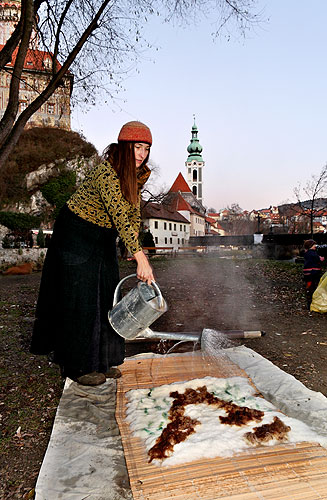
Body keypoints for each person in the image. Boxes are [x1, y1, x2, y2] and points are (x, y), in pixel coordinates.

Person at [30, 121, 154, 386]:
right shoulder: (107, 172)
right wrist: (140, 256)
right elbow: (119, 212)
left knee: (107, 293)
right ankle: (79, 366)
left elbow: (132, 215)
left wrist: (137, 252)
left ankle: (103, 360)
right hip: (76, 233)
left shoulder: (136, 176)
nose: (142, 154)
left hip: (102, 237)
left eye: (146, 148)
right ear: (124, 147)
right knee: (82, 298)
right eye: (137, 147)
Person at [303, 239, 324, 309]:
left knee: (310, 285)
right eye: (314, 245)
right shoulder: (312, 253)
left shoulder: (307, 253)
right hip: (313, 272)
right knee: (313, 286)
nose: (316, 246)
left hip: (309, 273)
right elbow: (316, 259)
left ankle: (310, 301)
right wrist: (320, 258)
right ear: (310, 246)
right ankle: (311, 301)